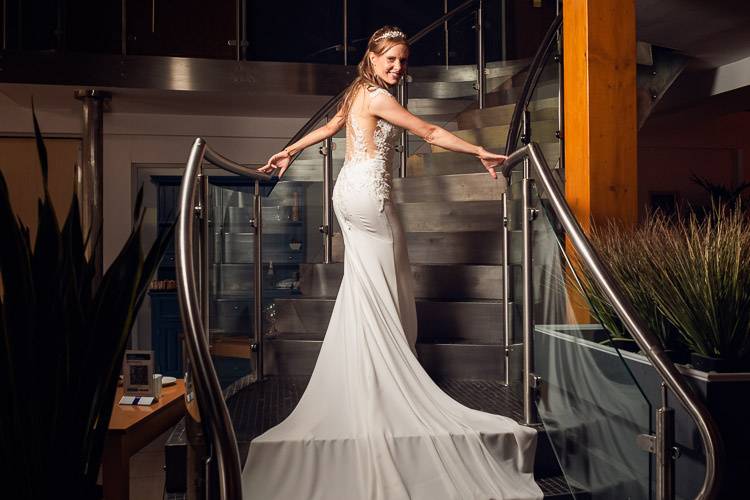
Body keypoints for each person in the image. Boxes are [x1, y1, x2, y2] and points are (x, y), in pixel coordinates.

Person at [243, 26, 543, 500]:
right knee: (384, 282)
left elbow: (329, 127)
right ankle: (384, 380)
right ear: (373, 56)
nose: (398, 68)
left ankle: (370, 375)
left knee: (371, 283)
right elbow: (428, 131)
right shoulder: (377, 97)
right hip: (368, 195)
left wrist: (291, 150)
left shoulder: (357, 91)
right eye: (392, 60)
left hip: (349, 192)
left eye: (404, 61)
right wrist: (479, 150)